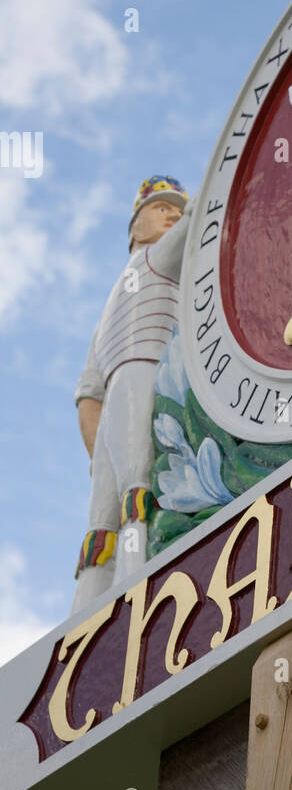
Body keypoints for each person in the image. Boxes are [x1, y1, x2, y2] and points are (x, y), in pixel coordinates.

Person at [72, 176, 192, 613]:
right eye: (162, 208)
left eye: (175, 209)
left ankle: (132, 582)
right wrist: (97, 444)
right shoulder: (115, 300)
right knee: (104, 512)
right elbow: (89, 389)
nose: (173, 214)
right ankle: (92, 605)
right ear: (134, 225)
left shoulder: (161, 261)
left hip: (149, 372)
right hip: (124, 384)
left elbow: (195, 221)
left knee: (135, 483)